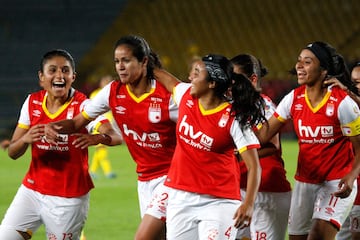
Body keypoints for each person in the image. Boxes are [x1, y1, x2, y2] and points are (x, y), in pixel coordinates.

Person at [44, 35, 178, 240]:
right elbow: (77, 122)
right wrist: (53, 126)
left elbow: (196, 118)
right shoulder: (113, 92)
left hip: (173, 176)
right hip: (144, 179)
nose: (120, 67)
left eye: (126, 60)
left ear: (143, 62)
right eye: (117, 61)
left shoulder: (166, 97)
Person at [0, 49, 122, 240]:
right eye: (53, 70)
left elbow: (115, 135)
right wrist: (25, 139)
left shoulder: (83, 106)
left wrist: (97, 138)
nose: (59, 75)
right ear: (41, 77)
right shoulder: (32, 103)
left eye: (65, 70)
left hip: (68, 198)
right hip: (32, 191)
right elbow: (13, 153)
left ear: (73, 76)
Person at [154, 54, 266, 239]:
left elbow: (254, 166)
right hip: (180, 197)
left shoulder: (234, 118)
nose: (190, 77)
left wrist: (249, 204)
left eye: (197, 73)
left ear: (212, 83)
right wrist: (144, 61)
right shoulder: (185, 96)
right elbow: (164, 77)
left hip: (219, 202)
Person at [256, 41, 360, 240]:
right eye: (299, 61)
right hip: (305, 182)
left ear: (323, 70)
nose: (299, 66)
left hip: (336, 183)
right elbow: (263, 135)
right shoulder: (293, 99)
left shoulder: (342, 103)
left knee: (319, 235)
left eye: (307, 62)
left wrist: (351, 176)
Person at [231, 54, 292, 240]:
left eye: (236, 79)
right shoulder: (233, 105)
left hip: (267, 190)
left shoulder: (263, 106)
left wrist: (241, 154)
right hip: (240, 188)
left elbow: (273, 145)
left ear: (253, 79)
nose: (231, 84)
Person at [325, 62, 360, 240]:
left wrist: (347, 92)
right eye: (355, 83)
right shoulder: (348, 107)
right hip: (349, 187)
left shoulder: (351, 101)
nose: (357, 87)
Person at [89, 74, 117, 179]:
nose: (107, 84)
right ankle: (108, 172)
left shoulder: (111, 94)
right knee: (101, 148)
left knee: (100, 149)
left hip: (109, 126)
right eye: (105, 82)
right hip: (99, 125)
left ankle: (92, 171)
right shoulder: (95, 94)